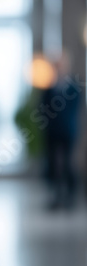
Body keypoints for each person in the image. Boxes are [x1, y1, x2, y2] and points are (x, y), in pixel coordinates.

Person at [41, 55, 80, 210]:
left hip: (68, 131)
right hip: (52, 132)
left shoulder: (73, 88)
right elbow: (43, 110)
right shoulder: (49, 88)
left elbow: (74, 110)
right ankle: (56, 195)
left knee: (68, 163)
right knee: (53, 164)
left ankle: (69, 195)